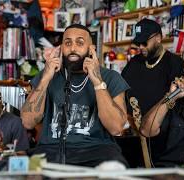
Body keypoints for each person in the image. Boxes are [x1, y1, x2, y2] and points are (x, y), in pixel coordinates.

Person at [21, 24, 129, 167]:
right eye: (67, 43)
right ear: (60, 48)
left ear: (92, 49)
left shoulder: (110, 77)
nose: (72, 48)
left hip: (97, 151)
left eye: (80, 43)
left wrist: (97, 81)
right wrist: (46, 78)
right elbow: (27, 122)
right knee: (13, 167)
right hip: (50, 150)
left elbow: (116, 128)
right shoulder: (47, 75)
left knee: (115, 169)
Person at [121, 18, 183, 164]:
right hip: (134, 137)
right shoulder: (134, 63)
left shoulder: (174, 63)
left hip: (163, 139)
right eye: (138, 43)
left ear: (158, 38)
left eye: (144, 43)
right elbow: (121, 92)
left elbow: (178, 102)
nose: (141, 47)